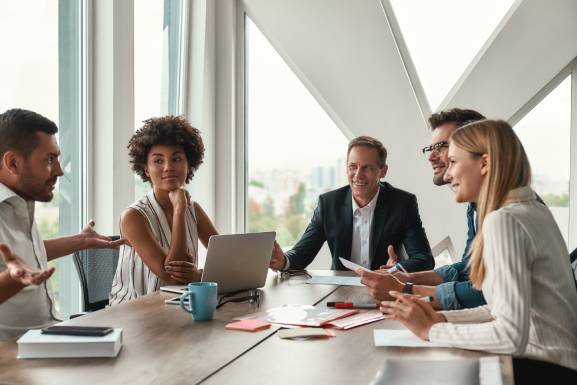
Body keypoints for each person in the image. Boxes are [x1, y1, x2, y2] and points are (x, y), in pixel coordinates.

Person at [380, 119, 577, 382]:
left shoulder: (504, 220)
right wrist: (439, 318)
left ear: (484, 163)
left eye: (453, 162)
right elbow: (496, 310)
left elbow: (510, 335)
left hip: (544, 370)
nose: (447, 174)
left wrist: (432, 330)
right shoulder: (530, 209)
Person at [0, 108, 123, 341]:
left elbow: (30, 253)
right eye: (49, 159)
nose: (59, 170)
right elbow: (16, 270)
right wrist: (11, 279)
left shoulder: (21, 202)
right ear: (13, 163)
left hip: (45, 336)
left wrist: (81, 241)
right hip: (10, 355)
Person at [360, 108, 487, 309]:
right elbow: (468, 268)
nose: (431, 156)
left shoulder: (505, 214)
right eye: (430, 148)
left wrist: (407, 289)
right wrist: (406, 278)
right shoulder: (476, 206)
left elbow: (491, 293)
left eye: (441, 146)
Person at [269, 136, 433, 272]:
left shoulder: (403, 203)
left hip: (387, 289)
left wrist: (395, 269)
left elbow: (424, 259)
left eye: (367, 168)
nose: (358, 175)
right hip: (340, 292)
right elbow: (303, 252)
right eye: (353, 167)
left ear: (383, 171)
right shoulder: (328, 204)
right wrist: (283, 260)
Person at [109, 116, 218, 305]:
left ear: (188, 164)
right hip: (133, 313)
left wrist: (197, 275)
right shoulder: (133, 216)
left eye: (176, 159)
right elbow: (172, 278)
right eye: (158, 161)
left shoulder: (194, 209)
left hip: (178, 307)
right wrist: (179, 211)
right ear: (145, 169)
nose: (168, 167)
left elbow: (224, 260)